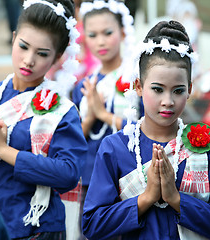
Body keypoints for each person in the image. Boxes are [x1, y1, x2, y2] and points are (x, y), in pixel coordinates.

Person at [82, 20, 210, 239]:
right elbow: (92, 225)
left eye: (178, 91)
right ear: (138, 87)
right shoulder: (116, 147)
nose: (168, 101)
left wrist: (176, 199)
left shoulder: (205, 147)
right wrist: (146, 197)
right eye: (157, 89)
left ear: (190, 90)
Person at [0, 0, 88, 239]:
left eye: (42, 54)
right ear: (14, 36)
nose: (29, 60)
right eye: (24, 46)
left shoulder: (63, 111)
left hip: (35, 228)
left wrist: (1, 149)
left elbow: (68, 173)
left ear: (58, 56)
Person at [72, 0, 139, 198]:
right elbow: (73, 137)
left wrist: (102, 113)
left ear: (123, 32)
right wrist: (91, 118)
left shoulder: (136, 80)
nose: (100, 41)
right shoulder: (83, 86)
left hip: (128, 173)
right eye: (92, 35)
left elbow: (146, 128)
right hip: (90, 176)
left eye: (108, 33)